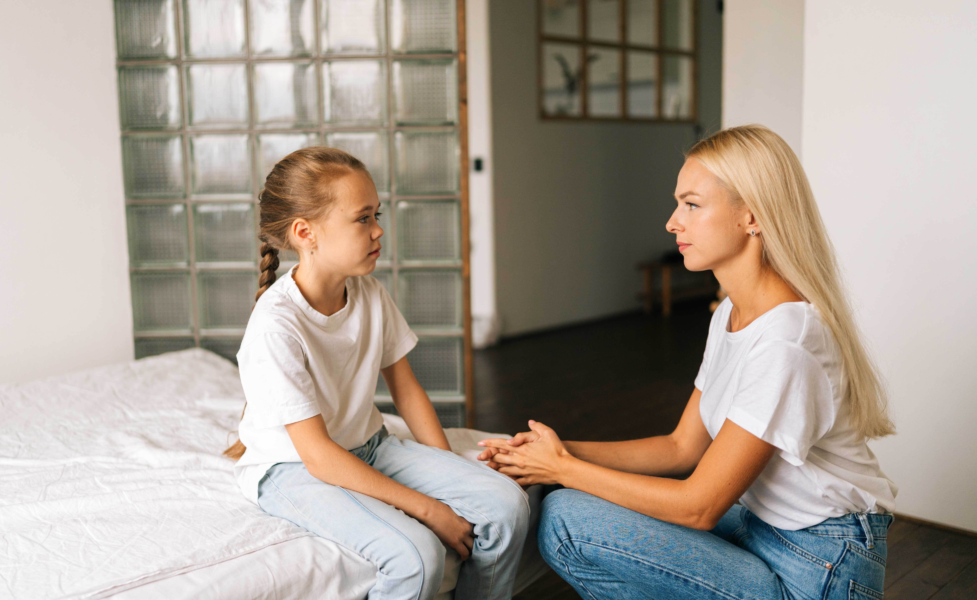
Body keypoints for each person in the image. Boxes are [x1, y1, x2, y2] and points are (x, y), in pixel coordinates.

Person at [477, 126, 897, 600]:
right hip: (763, 525)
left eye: (692, 205)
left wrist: (561, 468)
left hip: (819, 565)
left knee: (570, 519)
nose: (672, 223)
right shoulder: (732, 315)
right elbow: (681, 447)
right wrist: (555, 451)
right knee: (568, 507)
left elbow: (699, 507)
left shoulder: (786, 342)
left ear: (751, 217)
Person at [223, 147, 528, 600]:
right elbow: (319, 457)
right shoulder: (275, 325)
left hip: (369, 447)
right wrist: (430, 510)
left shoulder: (368, 293)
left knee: (507, 506)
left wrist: (448, 473)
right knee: (416, 555)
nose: (378, 229)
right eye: (362, 218)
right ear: (306, 233)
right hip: (294, 470)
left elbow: (406, 390)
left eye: (376, 214)